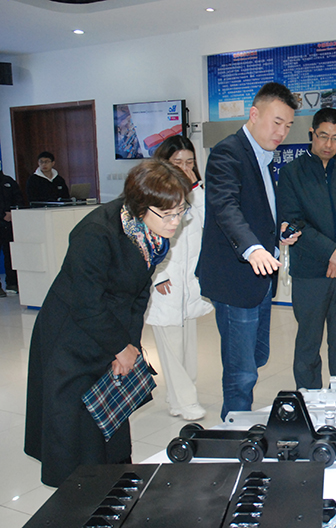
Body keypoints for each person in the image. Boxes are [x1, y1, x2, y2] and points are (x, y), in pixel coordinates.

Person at [24, 159, 191, 487]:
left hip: (109, 328)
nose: (176, 222)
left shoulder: (151, 234)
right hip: (71, 336)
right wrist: (120, 346)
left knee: (108, 421)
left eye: (180, 212)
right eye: (168, 214)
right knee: (75, 429)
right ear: (141, 205)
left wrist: (129, 347)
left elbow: (139, 295)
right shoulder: (95, 233)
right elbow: (86, 305)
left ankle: (110, 487)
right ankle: (76, 496)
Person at [196, 82, 300, 420]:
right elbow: (225, 207)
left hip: (260, 277)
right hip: (235, 278)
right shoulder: (228, 153)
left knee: (256, 356)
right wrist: (253, 247)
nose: (282, 132)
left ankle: (238, 418)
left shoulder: (264, 157)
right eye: (276, 122)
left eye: (288, 125)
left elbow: (259, 209)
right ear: (254, 114)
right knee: (241, 373)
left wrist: (278, 231)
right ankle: (235, 432)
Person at [277, 107, 336, 389]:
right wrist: (332, 252)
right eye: (323, 136)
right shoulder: (292, 173)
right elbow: (293, 221)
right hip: (309, 273)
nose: (329, 144)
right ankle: (309, 397)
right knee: (308, 342)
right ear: (311, 133)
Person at [145, 136, 213, 421]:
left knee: (186, 343)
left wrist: (196, 188)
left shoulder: (194, 194)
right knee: (171, 345)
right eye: (178, 163)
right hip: (166, 280)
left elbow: (209, 223)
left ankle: (177, 398)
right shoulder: (152, 195)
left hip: (188, 280)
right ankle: (186, 401)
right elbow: (145, 239)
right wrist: (157, 276)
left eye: (190, 163)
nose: (185, 169)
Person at [0, 169, 23, 296]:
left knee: (10, 254)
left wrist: (13, 212)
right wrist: (2, 215)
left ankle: (12, 283)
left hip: (10, 224)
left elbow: (19, 198)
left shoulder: (8, 181)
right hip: (2, 219)